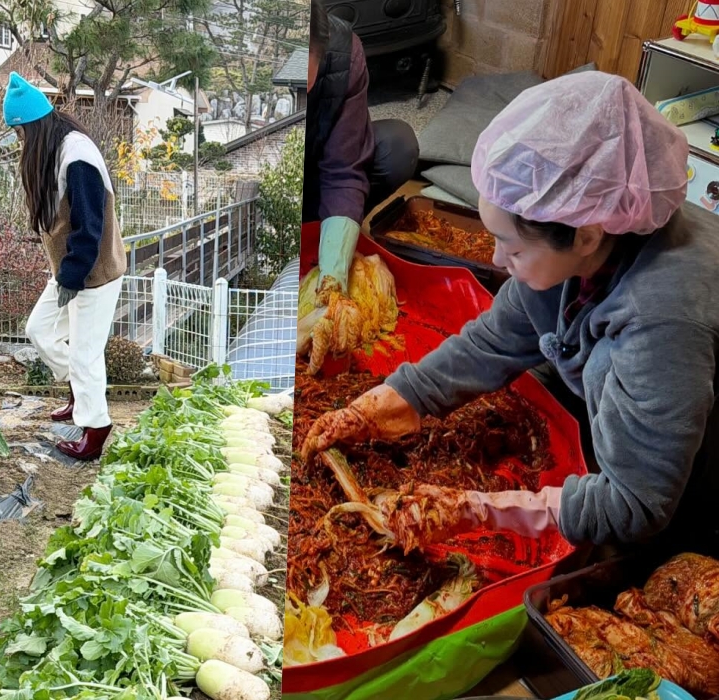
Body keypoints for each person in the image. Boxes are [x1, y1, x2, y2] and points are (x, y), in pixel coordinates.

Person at [303, 70, 719, 550]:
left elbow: (636, 503)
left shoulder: (661, 321)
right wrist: (386, 402)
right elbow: (495, 340)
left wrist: (477, 508)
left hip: (692, 455)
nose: (497, 261)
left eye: (511, 248)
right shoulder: (585, 232)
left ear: (586, 235)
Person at [3, 72, 127, 461]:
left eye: (21, 133)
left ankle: (96, 427)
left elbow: (90, 227)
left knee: (86, 354)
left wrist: (71, 277)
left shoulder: (77, 156)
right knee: (39, 330)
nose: (20, 142)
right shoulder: (57, 148)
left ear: (35, 126)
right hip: (72, 271)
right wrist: (65, 274)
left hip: (94, 272)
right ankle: (78, 392)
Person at [301, 0, 419, 309]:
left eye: (301, 81)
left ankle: (326, 233)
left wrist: (333, 277)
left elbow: (343, 169)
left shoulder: (344, 53)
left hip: (313, 174)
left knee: (396, 146)